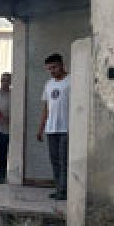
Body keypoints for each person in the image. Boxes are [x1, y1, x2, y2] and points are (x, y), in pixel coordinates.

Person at [36, 53, 71, 200]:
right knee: (55, 161)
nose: (52, 71)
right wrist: (41, 128)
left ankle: (65, 191)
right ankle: (59, 189)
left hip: (66, 129)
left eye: (54, 67)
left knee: (64, 161)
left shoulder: (71, 81)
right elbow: (46, 108)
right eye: (49, 69)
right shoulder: (49, 84)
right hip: (51, 129)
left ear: (62, 65)